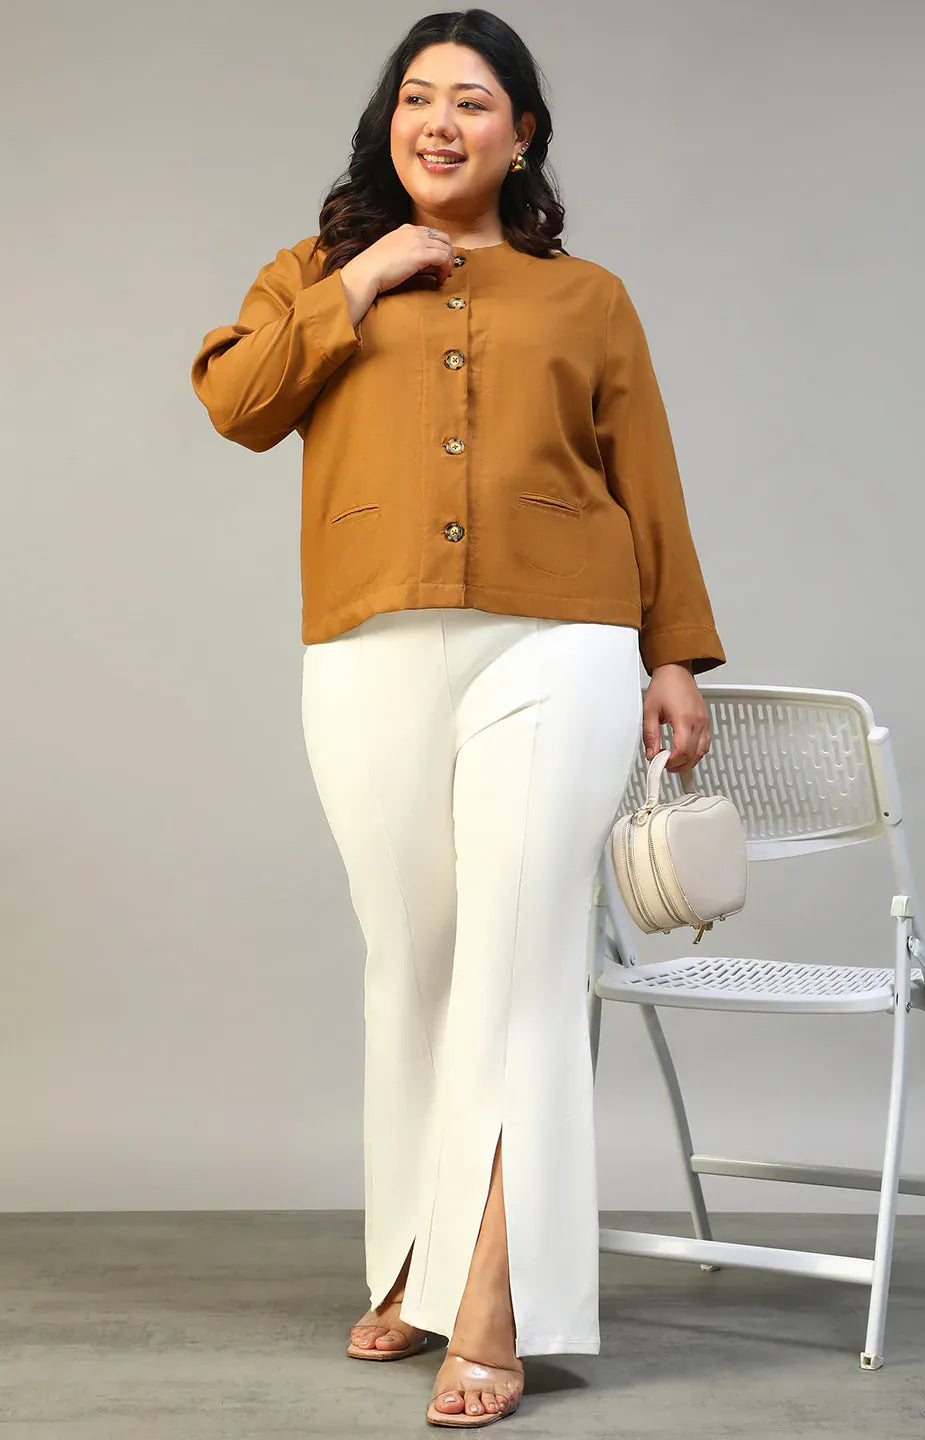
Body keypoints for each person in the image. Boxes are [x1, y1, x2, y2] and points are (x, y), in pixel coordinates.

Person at [190, 7, 726, 1427]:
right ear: (390, 125)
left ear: (521, 134)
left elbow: (646, 476)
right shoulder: (314, 274)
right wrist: (364, 277)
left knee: (517, 966)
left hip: (560, 639)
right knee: (413, 964)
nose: (442, 122)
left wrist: (675, 655)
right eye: (418, 98)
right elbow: (237, 402)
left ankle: (493, 1303)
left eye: (474, 101)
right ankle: (414, 1260)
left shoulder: (587, 296)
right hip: (368, 641)